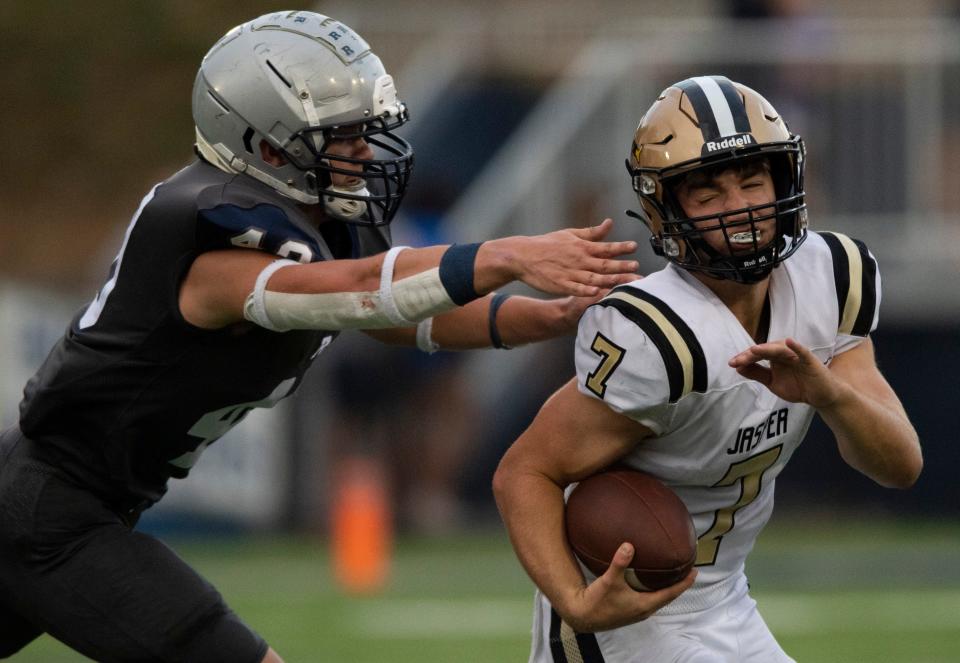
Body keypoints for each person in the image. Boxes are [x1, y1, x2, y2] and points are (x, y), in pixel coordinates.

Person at [0, 11, 641, 663]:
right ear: (269, 147)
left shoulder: (315, 224)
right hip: (49, 509)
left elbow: (398, 317)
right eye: (344, 136)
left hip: (69, 503)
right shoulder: (213, 250)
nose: (365, 150)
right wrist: (506, 253)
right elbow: (362, 287)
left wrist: (547, 316)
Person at [492, 75, 923, 662]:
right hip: (629, 616)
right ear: (664, 209)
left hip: (727, 599)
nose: (739, 207)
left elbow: (901, 466)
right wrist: (574, 600)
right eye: (708, 193)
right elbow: (524, 472)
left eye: (751, 180)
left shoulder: (832, 278)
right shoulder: (657, 336)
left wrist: (831, 397)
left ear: (784, 179)